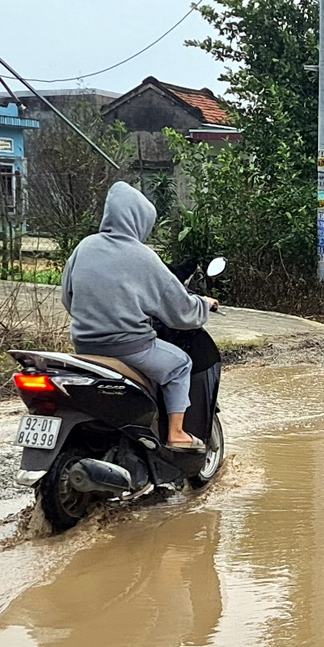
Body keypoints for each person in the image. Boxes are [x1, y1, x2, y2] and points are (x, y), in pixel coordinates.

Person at [60, 182, 216, 452]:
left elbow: (68, 298)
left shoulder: (84, 247)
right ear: (139, 220)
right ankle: (177, 433)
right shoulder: (143, 257)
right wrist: (203, 304)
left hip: (84, 346)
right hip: (130, 349)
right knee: (180, 365)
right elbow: (179, 310)